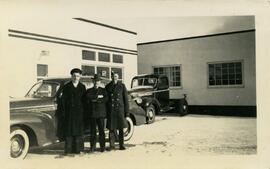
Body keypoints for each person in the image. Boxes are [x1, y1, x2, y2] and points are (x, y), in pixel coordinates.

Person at [57, 68, 86, 154]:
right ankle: (68, 150)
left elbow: (85, 101)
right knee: (69, 132)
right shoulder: (66, 87)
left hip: (79, 113)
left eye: (77, 76)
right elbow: (63, 101)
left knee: (78, 132)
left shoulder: (82, 87)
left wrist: (84, 112)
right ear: (71, 76)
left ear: (80, 77)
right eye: (74, 76)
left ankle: (78, 150)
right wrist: (63, 112)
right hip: (69, 113)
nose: (76, 78)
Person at [105, 72, 129, 150]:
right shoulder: (108, 86)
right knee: (111, 129)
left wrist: (127, 112)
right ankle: (112, 145)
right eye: (113, 76)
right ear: (111, 77)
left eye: (115, 76)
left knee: (121, 128)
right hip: (111, 110)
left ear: (118, 77)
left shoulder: (122, 86)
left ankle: (121, 145)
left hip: (120, 110)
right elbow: (106, 100)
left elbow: (126, 100)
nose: (114, 77)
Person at [85, 74, 108, 152]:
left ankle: (102, 147)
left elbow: (106, 99)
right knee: (93, 132)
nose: (96, 82)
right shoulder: (89, 91)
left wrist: (95, 99)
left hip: (101, 114)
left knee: (101, 131)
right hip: (92, 114)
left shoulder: (103, 90)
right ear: (93, 81)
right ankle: (92, 147)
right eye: (95, 81)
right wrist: (97, 98)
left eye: (97, 81)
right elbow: (87, 99)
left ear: (100, 82)